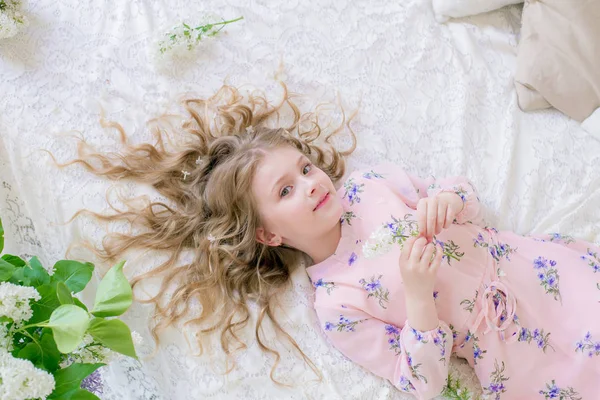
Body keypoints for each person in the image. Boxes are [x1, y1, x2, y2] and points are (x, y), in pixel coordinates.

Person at [53, 83, 600, 399]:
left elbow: (463, 195)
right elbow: (422, 382)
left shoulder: (370, 185)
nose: (314, 182)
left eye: (307, 167)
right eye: (288, 189)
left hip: (546, 275)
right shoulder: (338, 303)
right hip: (520, 353)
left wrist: (447, 202)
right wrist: (417, 300)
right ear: (269, 233)